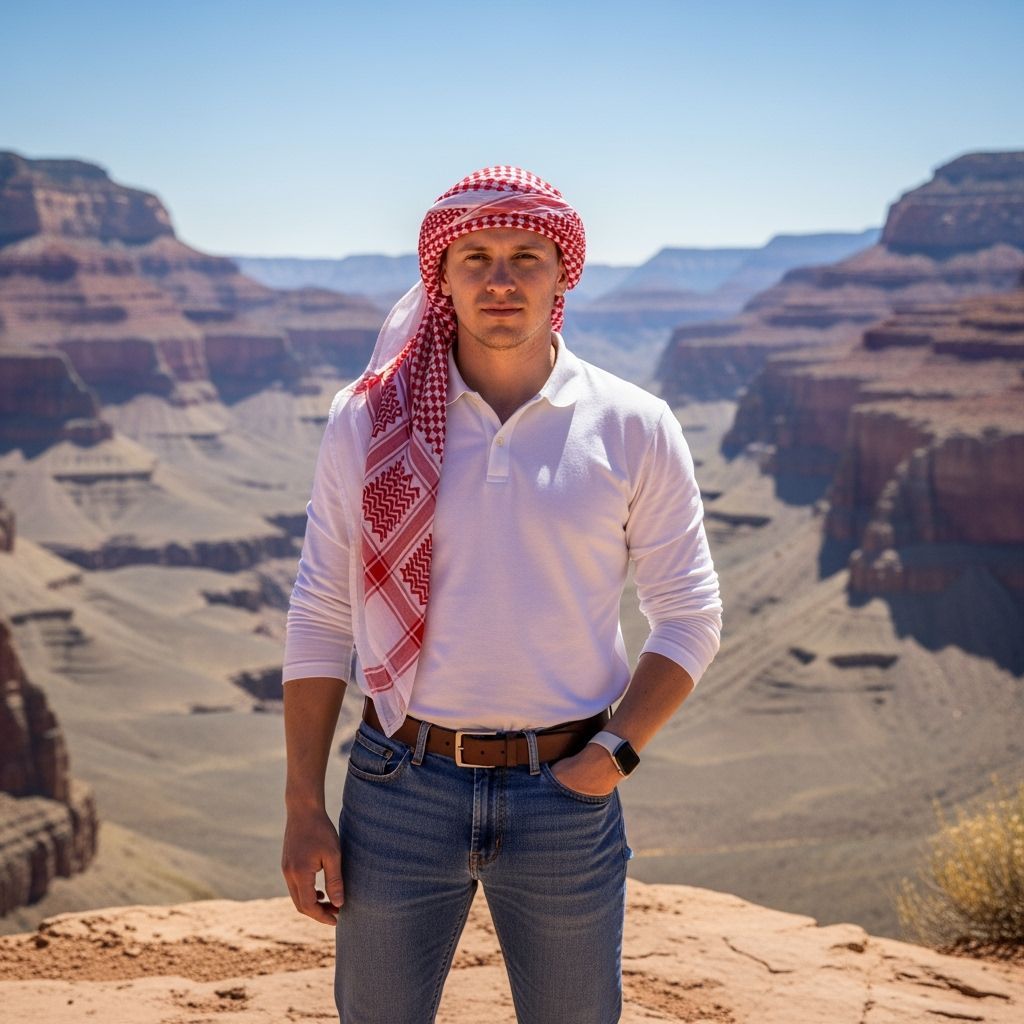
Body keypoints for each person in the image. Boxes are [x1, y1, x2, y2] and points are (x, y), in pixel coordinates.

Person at [280, 166, 722, 1024]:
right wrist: (303, 803)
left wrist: (615, 755)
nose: (500, 278)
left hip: (565, 792)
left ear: (564, 274)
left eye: (527, 255)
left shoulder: (633, 424)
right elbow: (321, 614)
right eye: (474, 256)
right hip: (397, 782)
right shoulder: (368, 421)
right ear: (439, 277)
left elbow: (691, 612)